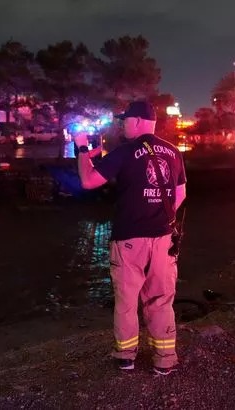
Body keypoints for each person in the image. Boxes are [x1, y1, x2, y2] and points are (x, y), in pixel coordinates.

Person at [73, 101, 187, 375]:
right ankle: (164, 359)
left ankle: (126, 356)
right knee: (160, 300)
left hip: (129, 239)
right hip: (163, 240)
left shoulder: (126, 151)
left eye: (125, 120)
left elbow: (88, 181)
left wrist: (81, 148)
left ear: (137, 121)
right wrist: (156, 215)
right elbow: (180, 194)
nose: (123, 124)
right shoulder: (173, 152)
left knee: (126, 300)